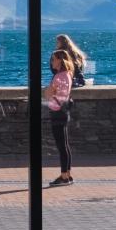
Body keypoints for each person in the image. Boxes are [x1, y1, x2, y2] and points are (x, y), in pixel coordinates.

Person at [43, 49, 75, 186]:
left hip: (57, 112)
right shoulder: (67, 74)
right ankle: (67, 174)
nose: (52, 62)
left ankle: (63, 176)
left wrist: (48, 92)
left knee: (61, 145)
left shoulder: (59, 77)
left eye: (54, 59)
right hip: (64, 112)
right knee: (65, 145)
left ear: (60, 61)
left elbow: (50, 95)